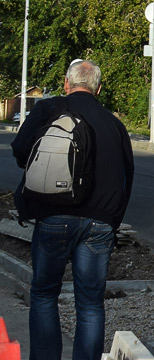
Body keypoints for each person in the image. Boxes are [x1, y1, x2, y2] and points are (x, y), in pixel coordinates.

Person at [12, 59, 135, 360]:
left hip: (53, 216)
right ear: (99, 89)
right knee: (91, 304)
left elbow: (19, 151)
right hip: (100, 224)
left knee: (43, 295)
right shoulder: (115, 124)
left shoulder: (49, 111)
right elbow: (126, 176)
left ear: (67, 84)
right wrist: (112, 222)